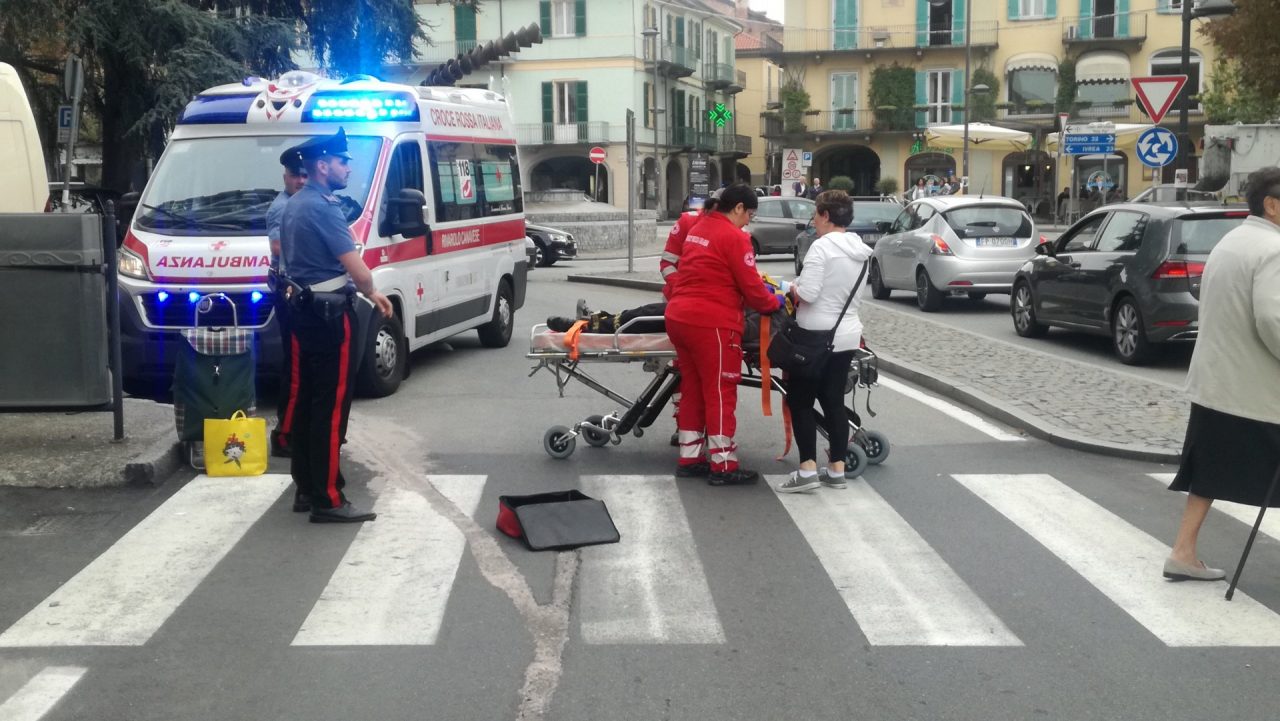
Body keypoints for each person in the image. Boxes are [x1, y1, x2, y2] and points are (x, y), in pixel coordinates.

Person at [1164, 166, 1280, 581]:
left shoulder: (1232, 241)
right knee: (1212, 472)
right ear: (1271, 205)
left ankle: (1183, 551)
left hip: (1218, 384)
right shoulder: (1274, 249)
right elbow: (1273, 319)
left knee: (1208, 473)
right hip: (1258, 392)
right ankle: (1180, 553)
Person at [280, 127, 393, 523]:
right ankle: (328, 499)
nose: (349, 167)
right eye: (343, 161)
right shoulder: (324, 207)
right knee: (330, 409)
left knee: (311, 402)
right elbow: (356, 269)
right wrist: (373, 291)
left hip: (305, 311)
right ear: (323, 165)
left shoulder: (295, 202)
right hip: (329, 315)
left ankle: (306, 489)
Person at [664, 184, 783, 486]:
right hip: (712, 322)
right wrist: (774, 302)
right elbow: (752, 287)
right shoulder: (734, 237)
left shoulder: (699, 227)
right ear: (739, 207)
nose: (748, 223)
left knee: (692, 388)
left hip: (679, 317)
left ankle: (689, 458)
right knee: (720, 390)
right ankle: (723, 464)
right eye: (749, 215)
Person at [774, 191, 874, 493]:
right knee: (833, 401)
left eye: (816, 215)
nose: (813, 221)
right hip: (846, 334)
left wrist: (790, 287)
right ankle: (836, 470)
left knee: (800, 401)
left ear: (827, 215)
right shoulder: (860, 249)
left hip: (813, 336)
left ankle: (806, 471)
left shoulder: (821, 248)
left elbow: (808, 294)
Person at [267, 145, 308, 458]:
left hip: (298, 290)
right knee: (295, 369)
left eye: (305, 175)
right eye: (296, 176)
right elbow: (279, 248)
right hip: (289, 292)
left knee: (303, 367)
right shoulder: (283, 207)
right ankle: (284, 435)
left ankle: (297, 429)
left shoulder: (300, 202)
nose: (301, 181)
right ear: (286, 176)